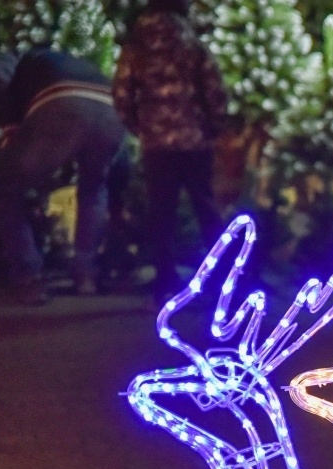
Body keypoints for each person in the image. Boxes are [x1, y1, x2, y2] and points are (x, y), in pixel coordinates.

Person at [0, 49, 127, 303]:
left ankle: (28, 278)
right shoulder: (71, 60)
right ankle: (85, 274)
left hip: (63, 104)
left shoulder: (12, 57)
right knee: (93, 188)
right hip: (111, 109)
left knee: (1, 189)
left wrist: (10, 124)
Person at [114, 0, 227, 301]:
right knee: (206, 208)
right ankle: (221, 282)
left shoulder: (135, 47)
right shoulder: (193, 45)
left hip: (157, 144)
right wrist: (214, 126)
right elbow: (214, 89)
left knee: (161, 213)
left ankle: (165, 283)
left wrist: (140, 126)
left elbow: (122, 93)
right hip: (194, 140)